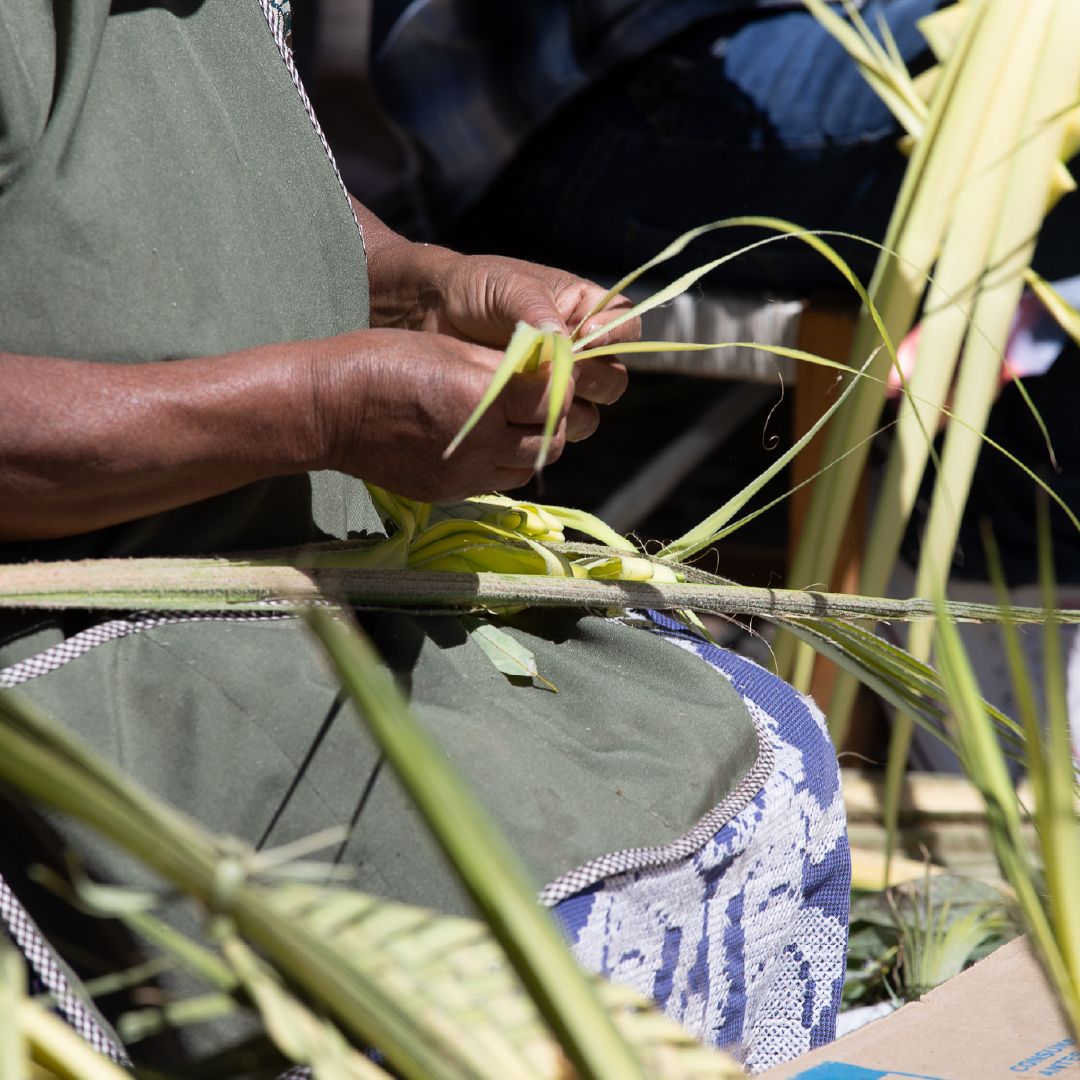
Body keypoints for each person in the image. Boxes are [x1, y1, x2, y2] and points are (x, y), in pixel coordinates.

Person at [0, 0, 849, 1070]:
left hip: (302, 577)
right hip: (76, 647)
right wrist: (315, 412)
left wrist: (416, 288)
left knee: (763, 740)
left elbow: (202, 172)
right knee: (499, 957)